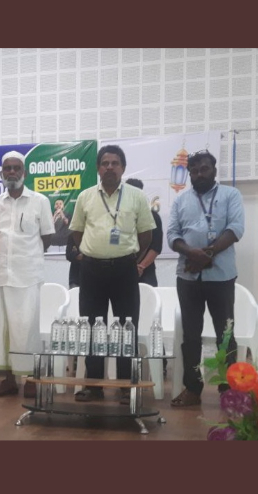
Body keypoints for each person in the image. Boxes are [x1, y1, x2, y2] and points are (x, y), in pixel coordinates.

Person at [69, 145, 155, 404]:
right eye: (105, 163)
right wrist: (92, 252)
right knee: (92, 327)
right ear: (98, 168)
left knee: (126, 327)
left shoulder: (136, 197)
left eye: (115, 163)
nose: (109, 167)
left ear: (123, 168)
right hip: (91, 270)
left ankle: (126, 386)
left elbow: (146, 234)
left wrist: (131, 258)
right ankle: (94, 385)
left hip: (124, 270)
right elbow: (77, 231)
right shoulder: (85, 196)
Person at [168, 150, 244, 407]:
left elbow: (236, 229)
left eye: (204, 169)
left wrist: (207, 254)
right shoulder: (180, 200)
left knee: (225, 334)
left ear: (214, 170)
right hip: (188, 277)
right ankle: (192, 388)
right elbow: (172, 235)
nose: (199, 174)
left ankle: (228, 390)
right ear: (189, 173)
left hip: (221, 276)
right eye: (194, 170)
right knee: (191, 335)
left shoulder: (231, 195)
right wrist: (192, 253)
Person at [0, 151, 55, 397]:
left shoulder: (39, 201)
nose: (11, 172)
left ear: (24, 172)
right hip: (1, 276)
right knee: (1, 328)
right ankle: (9, 380)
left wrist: (27, 258)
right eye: (7, 168)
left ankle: (32, 378)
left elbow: (47, 237)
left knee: (26, 329)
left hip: (28, 276)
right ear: (2, 172)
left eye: (16, 168)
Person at [125, 178, 163, 287]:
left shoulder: (153, 216)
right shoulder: (118, 216)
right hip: (121, 270)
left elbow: (156, 248)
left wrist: (140, 267)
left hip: (145, 271)